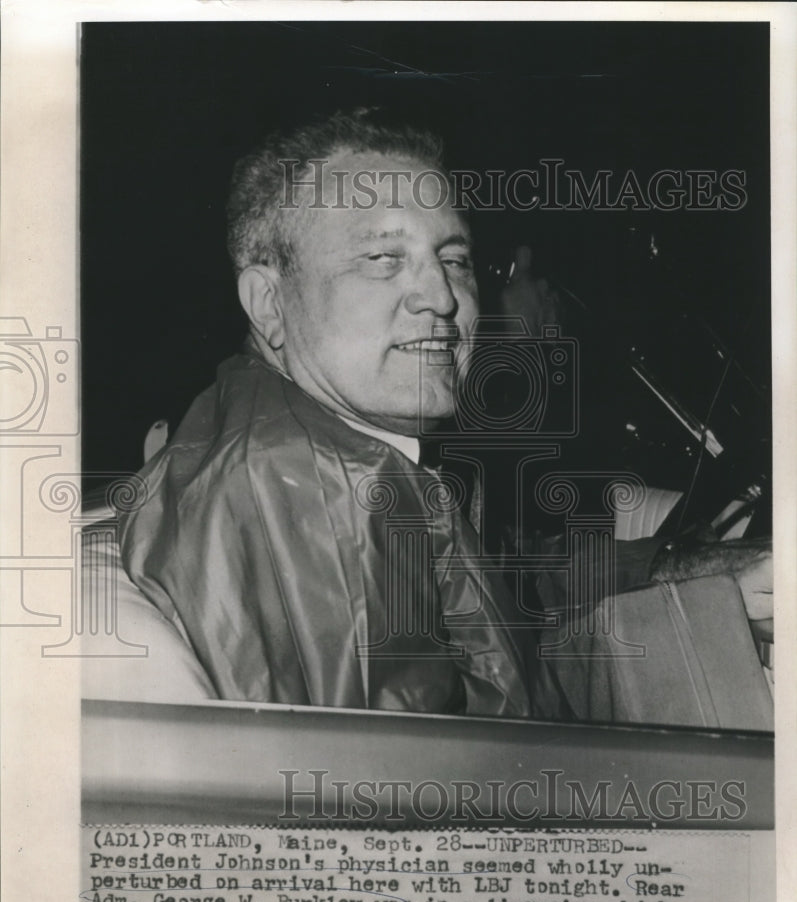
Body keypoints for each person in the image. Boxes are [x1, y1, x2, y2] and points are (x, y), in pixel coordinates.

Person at [118, 108, 772, 720]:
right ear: (267, 304)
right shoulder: (308, 485)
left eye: (452, 259)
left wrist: (691, 581)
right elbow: (382, 814)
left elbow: (497, 599)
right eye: (381, 260)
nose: (441, 296)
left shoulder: (342, 449)